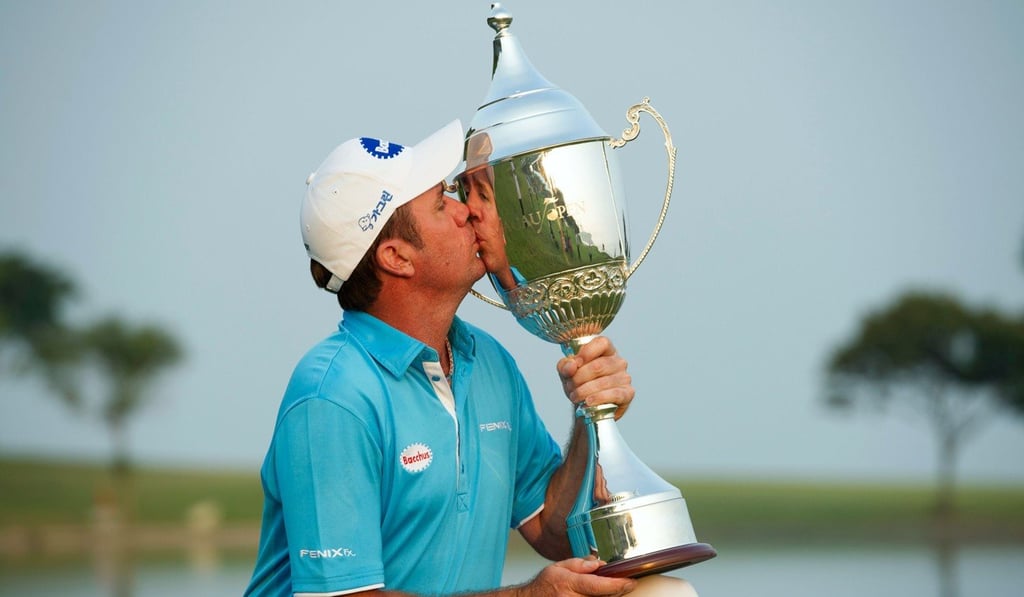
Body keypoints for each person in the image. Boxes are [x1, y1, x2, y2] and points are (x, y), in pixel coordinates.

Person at [244, 119, 641, 597]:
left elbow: (555, 533)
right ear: (397, 257)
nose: (466, 212)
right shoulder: (332, 395)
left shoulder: (488, 361)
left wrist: (589, 414)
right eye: (441, 203)